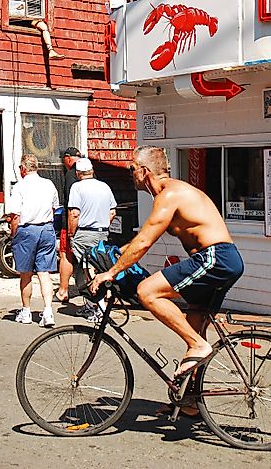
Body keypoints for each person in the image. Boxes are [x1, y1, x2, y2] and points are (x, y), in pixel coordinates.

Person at [90, 146, 244, 378]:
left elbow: (144, 242)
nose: (130, 173)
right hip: (221, 259)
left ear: (144, 171)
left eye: (132, 168)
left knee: (147, 291)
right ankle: (190, 402)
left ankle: (198, 345)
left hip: (216, 258)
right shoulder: (168, 195)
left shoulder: (169, 195)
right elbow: (141, 239)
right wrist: (113, 254)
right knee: (195, 326)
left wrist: (111, 272)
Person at [6, 154, 60, 327]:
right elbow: (54, 207)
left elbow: (15, 215)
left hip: (27, 229)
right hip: (46, 228)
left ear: (23, 168)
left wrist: (14, 234)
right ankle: (48, 311)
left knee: (26, 273)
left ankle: (26, 311)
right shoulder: (48, 184)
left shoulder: (20, 187)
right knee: (45, 273)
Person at [67, 158, 117, 323]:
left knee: (88, 270)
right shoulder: (104, 186)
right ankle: (91, 305)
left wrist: (71, 233)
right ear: (92, 170)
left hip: (85, 232)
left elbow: (74, 213)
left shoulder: (77, 187)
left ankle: (99, 307)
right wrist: (103, 225)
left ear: (78, 173)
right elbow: (112, 213)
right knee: (98, 266)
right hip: (102, 232)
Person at [55, 146, 81, 303]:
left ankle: (63, 290)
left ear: (68, 158)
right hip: (92, 224)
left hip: (72, 223)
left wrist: (70, 230)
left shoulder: (71, 174)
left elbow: (72, 205)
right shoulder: (92, 176)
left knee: (65, 255)